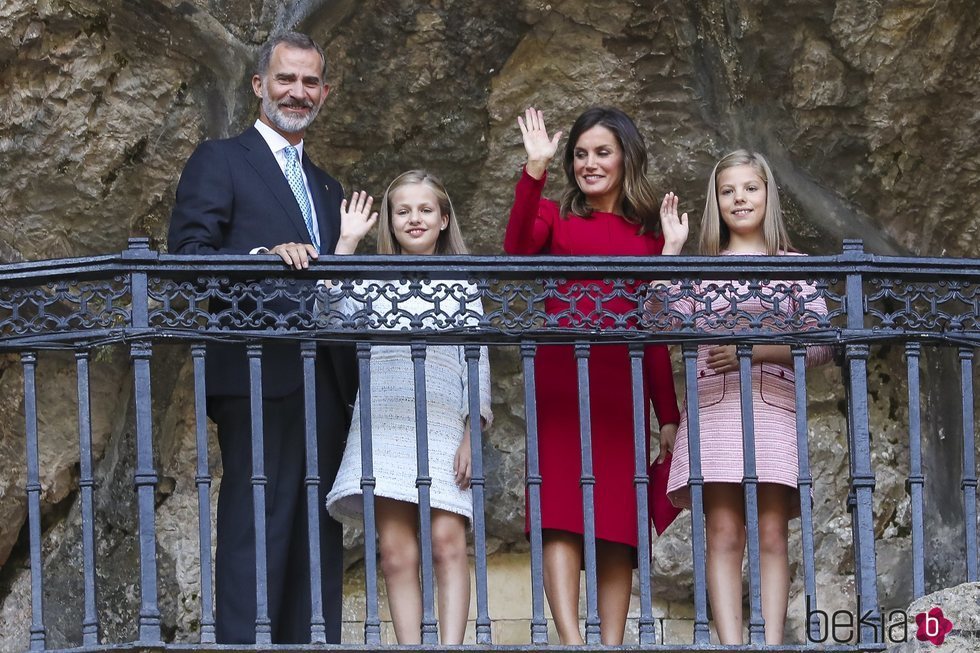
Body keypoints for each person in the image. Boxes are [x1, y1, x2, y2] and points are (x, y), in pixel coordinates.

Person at [167, 31, 372, 644]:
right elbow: (189, 258)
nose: (298, 91)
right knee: (257, 526)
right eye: (286, 79)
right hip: (258, 373)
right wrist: (261, 256)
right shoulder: (220, 159)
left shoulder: (330, 187)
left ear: (325, 93)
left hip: (326, 381)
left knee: (317, 535)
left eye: (310, 82)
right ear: (259, 85)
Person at [503, 107, 681, 645]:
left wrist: (668, 416)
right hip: (561, 382)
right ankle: (571, 641)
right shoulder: (557, 218)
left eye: (602, 152)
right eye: (580, 154)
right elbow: (516, 248)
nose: (589, 163)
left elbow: (654, 331)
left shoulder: (650, 237)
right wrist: (534, 170)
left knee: (617, 522)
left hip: (618, 389)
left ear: (626, 156)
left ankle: (610, 644)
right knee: (561, 510)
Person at [653, 149, 833, 644]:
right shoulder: (701, 267)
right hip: (714, 411)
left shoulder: (794, 266)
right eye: (727, 190)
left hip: (773, 411)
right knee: (725, 534)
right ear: (716, 200)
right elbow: (661, 322)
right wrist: (671, 252)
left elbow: (820, 344)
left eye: (750, 188)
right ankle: (731, 643)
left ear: (768, 195)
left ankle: (771, 641)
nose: (740, 198)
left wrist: (754, 349)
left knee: (773, 535)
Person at [325, 170, 492, 644]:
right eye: (403, 211)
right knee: (397, 553)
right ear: (390, 222)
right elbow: (331, 314)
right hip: (383, 423)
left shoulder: (462, 282)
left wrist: (470, 432)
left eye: (425, 209)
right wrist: (346, 244)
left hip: (442, 421)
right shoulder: (370, 277)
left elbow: (475, 361)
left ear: (443, 219)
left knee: (447, 543)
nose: (414, 218)